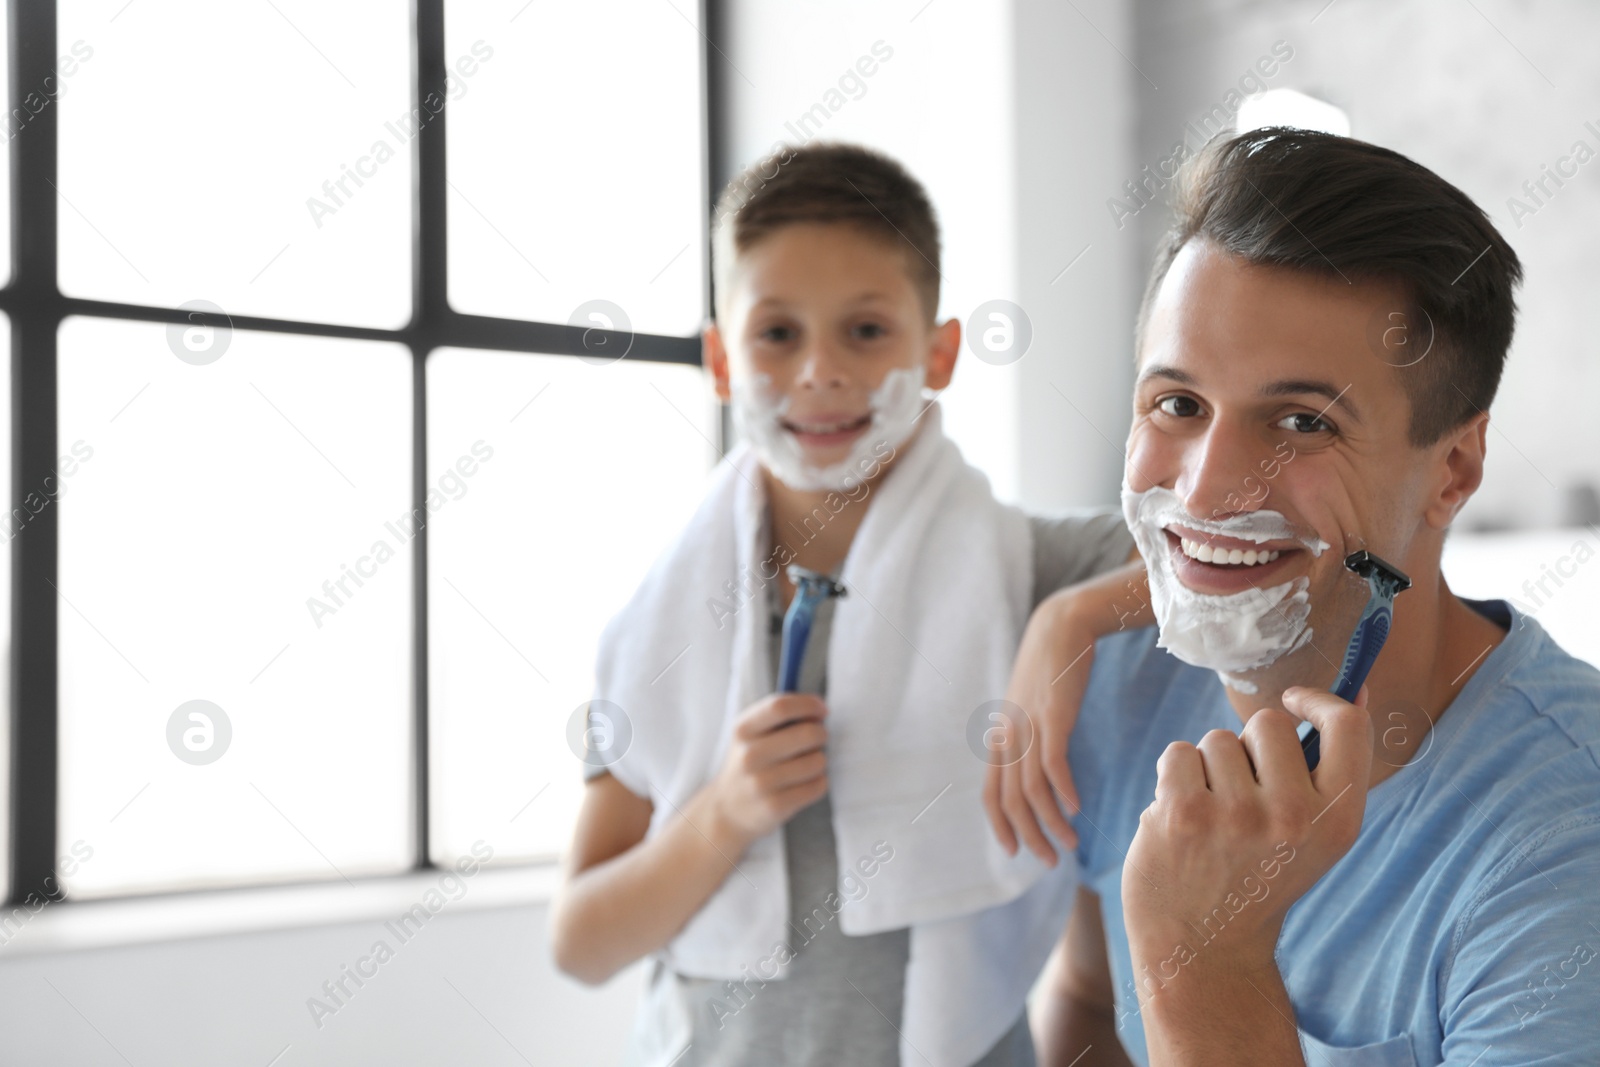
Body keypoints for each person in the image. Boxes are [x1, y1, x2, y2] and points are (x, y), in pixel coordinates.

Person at [993, 127, 1600, 1065]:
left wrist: (1204, 962)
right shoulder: (1116, 685)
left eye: (1302, 422)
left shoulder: (1565, 843)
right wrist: (1065, 615)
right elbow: (1085, 999)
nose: (1205, 491)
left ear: (1452, 470)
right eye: (1178, 404)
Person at [549, 141, 1134, 1067]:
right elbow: (580, 943)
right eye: (777, 334)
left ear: (939, 352)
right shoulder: (659, 624)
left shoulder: (1036, 570)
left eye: (865, 330)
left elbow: (1262, 560)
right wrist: (724, 812)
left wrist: (1071, 616)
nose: (820, 369)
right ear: (721, 360)